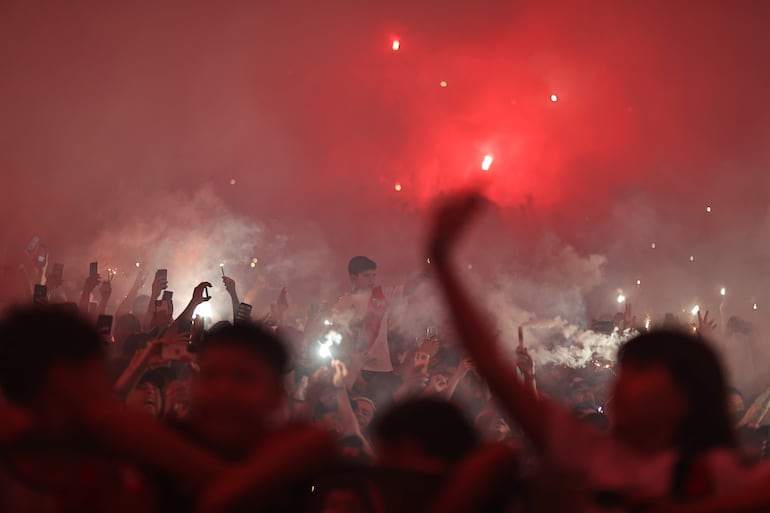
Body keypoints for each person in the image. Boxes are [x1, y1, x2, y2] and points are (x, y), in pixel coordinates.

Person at [427, 192, 770, 511]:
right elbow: (494, 370)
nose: (620, 384)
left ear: (685, 396)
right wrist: (441, 258)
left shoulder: (721, 472)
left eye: (640, 371)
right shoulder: (589, 455)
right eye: (624, 370)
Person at [160, 320, 335, 513]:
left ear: (276, 395)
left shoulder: (296, 471)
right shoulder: (159, 451)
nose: (223, 390)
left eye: (241, 377)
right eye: (211, 375)